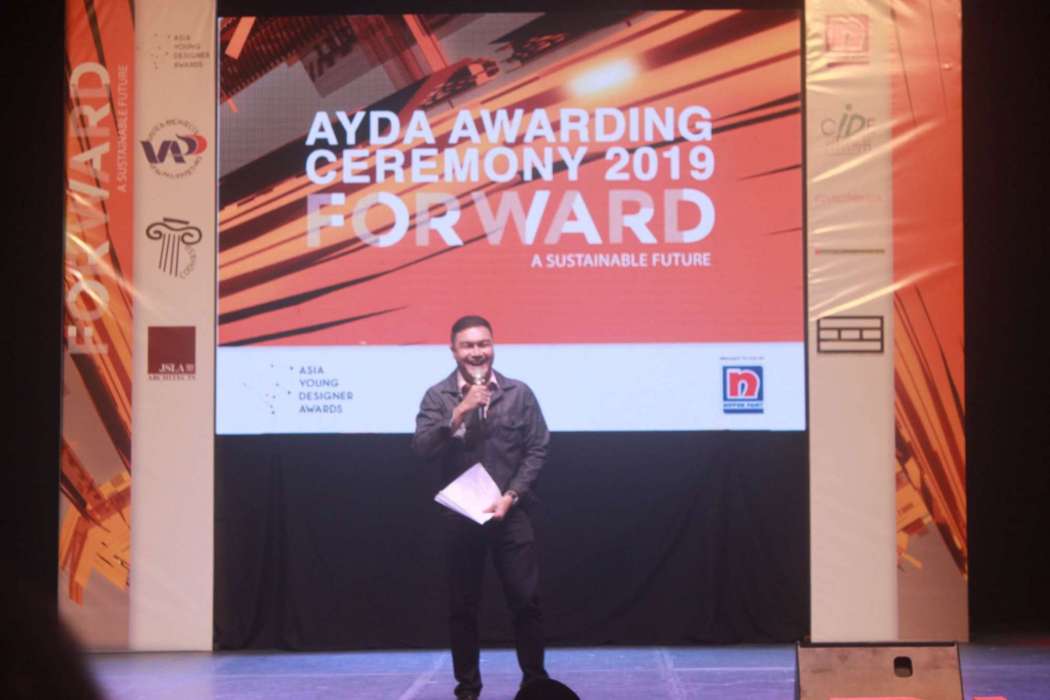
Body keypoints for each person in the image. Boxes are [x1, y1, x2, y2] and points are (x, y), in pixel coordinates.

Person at [413, 315, 550, 700]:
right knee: (463, 608)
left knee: (526, 602)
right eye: (468, 345)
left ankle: (535, 684)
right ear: (454, 350)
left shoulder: (518, 393)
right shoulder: (438, 396)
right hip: (461, 516)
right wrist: (459, 412)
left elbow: (537, 448)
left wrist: (512, 495)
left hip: (510, 512)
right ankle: (468, 690)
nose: (477, 352)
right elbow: (421, 449)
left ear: (493, 346)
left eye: (483, 344)